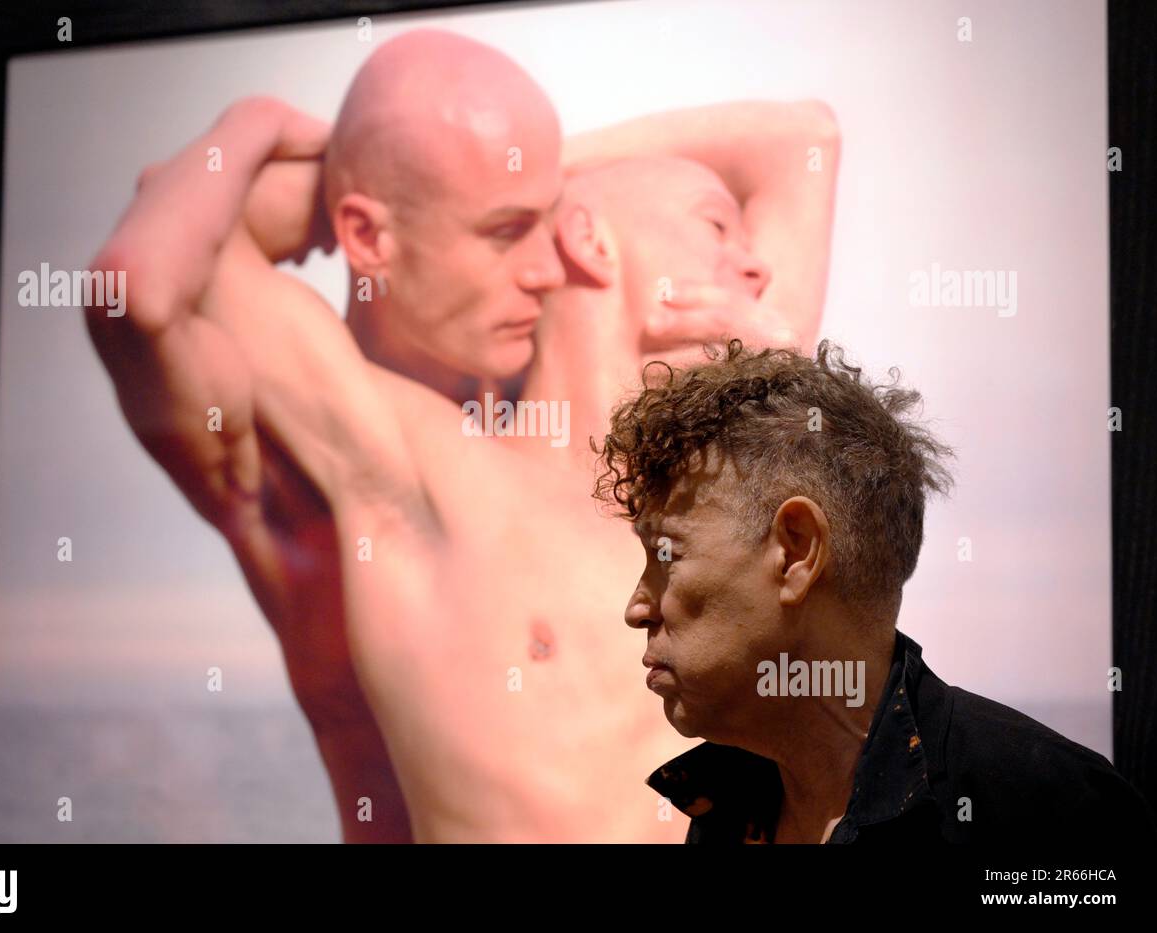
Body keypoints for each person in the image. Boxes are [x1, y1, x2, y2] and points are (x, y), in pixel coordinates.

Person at [85, 29, 840, 840]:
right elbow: (155, 263)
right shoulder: (418, 466)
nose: (754, 268)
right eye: (716, 228)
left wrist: (523, 178)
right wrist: (415, 171)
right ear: (591, 243)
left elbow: (803, 139)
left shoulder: (722, 437)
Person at [593, 339, 1157, 843]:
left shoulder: (1050, 815)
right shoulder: (726, 807)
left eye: (667, 554)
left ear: (796, 551)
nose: (637, 608)